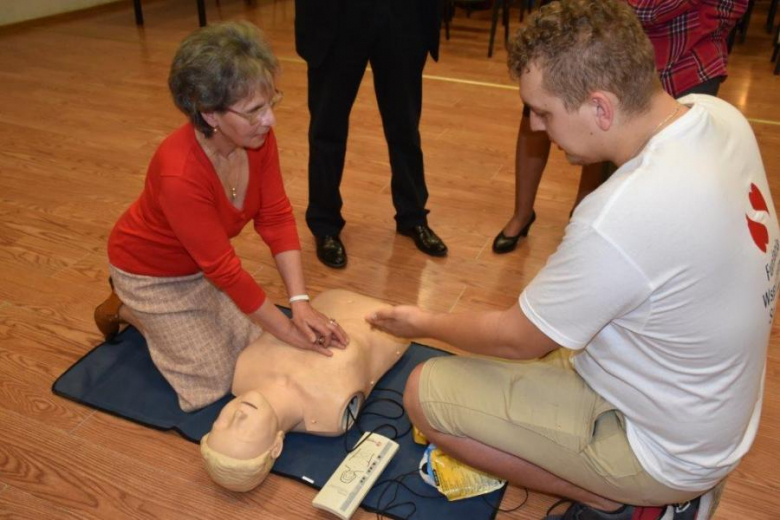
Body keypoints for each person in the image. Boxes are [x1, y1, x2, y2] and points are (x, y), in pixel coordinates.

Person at [368, 1, 777, 518]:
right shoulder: (719, 116)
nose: (537, 128)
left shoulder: (621, 215)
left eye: (544, 112)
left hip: (668, 453)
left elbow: (516, 339)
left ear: (600, 108)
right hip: (712, 415)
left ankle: (612, 496)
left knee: (425, 395)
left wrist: (421, 321)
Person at [93, 22, 349, 413]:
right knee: (214, 379)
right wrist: (286, 331)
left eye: (270, 104)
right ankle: (126, 308)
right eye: (254, 111)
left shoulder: (255, 136)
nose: (270, 120)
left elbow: (276, 215)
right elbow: (226, 270)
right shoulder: (179, 172)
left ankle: (177, 320)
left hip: (202, 267)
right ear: (210, 114)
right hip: (150, 274)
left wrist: (299, 303)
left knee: (253, 347)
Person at [492, 0, 749, 254]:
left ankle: (586, 226)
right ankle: (535, 217)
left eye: (543, 115)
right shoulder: (731, 121)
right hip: (602, 49)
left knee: (623, 187)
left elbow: (646, 8)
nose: (537, 126)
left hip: (678, 62)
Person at [199, 289, 411, 491]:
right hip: (390, 319)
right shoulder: (330, 411)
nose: (239, 415)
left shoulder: (244, 369)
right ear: (276, 447)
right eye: (243, 432)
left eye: (221, 423)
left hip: (331, 298)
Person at [294, 0, 448, 269]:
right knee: (326, 127)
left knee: (405, 126)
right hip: (339, 14)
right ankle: (324, 222)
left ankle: (413, 216)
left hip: (403, 12)